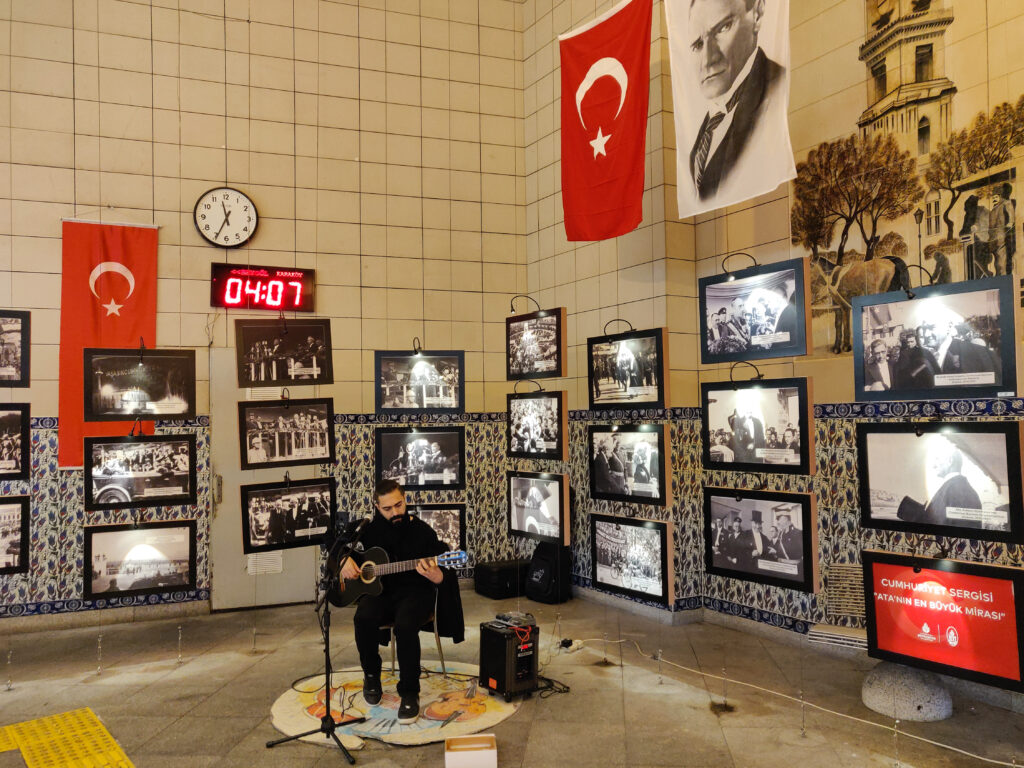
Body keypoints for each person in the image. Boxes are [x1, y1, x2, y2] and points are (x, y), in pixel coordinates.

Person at [339, 480, 463, 725]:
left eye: (399, 505)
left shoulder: (422, 531)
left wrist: (439, 576)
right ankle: (371, 674)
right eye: (387, 509)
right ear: (376, 506)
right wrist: (344, 561)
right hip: (381, 594)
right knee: (362, 617)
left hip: (415, 593)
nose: (395, 512)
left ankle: (409, 692)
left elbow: (444, 568)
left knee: (406, 625)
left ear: (405, 499)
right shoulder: (367, 530)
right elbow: (336, 545)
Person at [686, 0, 791, 204]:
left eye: (723, 28)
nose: (708, 59)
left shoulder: (776, 92)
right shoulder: (699, 143)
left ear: (757, 15)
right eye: (698, 45)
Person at [897, 444, 982, 528]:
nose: (934, 466)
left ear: (950, 461)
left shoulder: (957, 490)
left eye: (937, 459)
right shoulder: (957, 488)